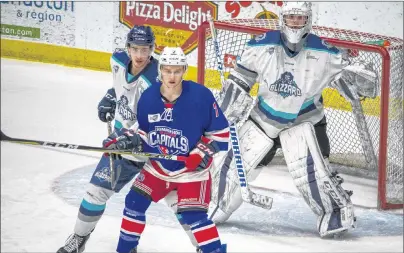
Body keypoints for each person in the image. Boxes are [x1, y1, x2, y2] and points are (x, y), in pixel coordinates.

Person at [209, 1, 378, 238]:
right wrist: (229, 107)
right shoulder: (263, 44)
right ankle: (215, 203)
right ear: (283, 19)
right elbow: (240, 78)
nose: (295, 23)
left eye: (300, 18)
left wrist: (356, 80)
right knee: (234, 169)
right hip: (264, 119)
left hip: (304, 121)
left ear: (308, 20)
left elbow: (357, 86)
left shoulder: (325, 51)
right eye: (291, 17)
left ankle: (335, 213)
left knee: (313, 176)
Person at [57, 25, 190, 253]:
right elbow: (121, 89)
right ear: (127, 48)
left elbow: (157, 118)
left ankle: (205, 247)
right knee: (95, 192)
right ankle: (78, 238)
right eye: (135, 49)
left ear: (152, 49)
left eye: (146, 49)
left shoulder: (158, 79)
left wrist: (133, 136)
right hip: (123, 145)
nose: (140, 56)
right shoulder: (117, 61)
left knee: (181, 202)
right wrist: (110, 97)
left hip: (155, 146)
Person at [104, 46, 229, 253]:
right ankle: (126, 249)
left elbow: (222, 134)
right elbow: (144, 132)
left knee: (194, 217)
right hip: (158, 167)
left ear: (184, 70)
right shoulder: (149, 97)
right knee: (133, 202)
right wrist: (123, 139)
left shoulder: (201, 96)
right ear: (160, 70)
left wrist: (199, 153)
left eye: (177, 70)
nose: (172, 76)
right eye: (167, 70)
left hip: (191, 173)